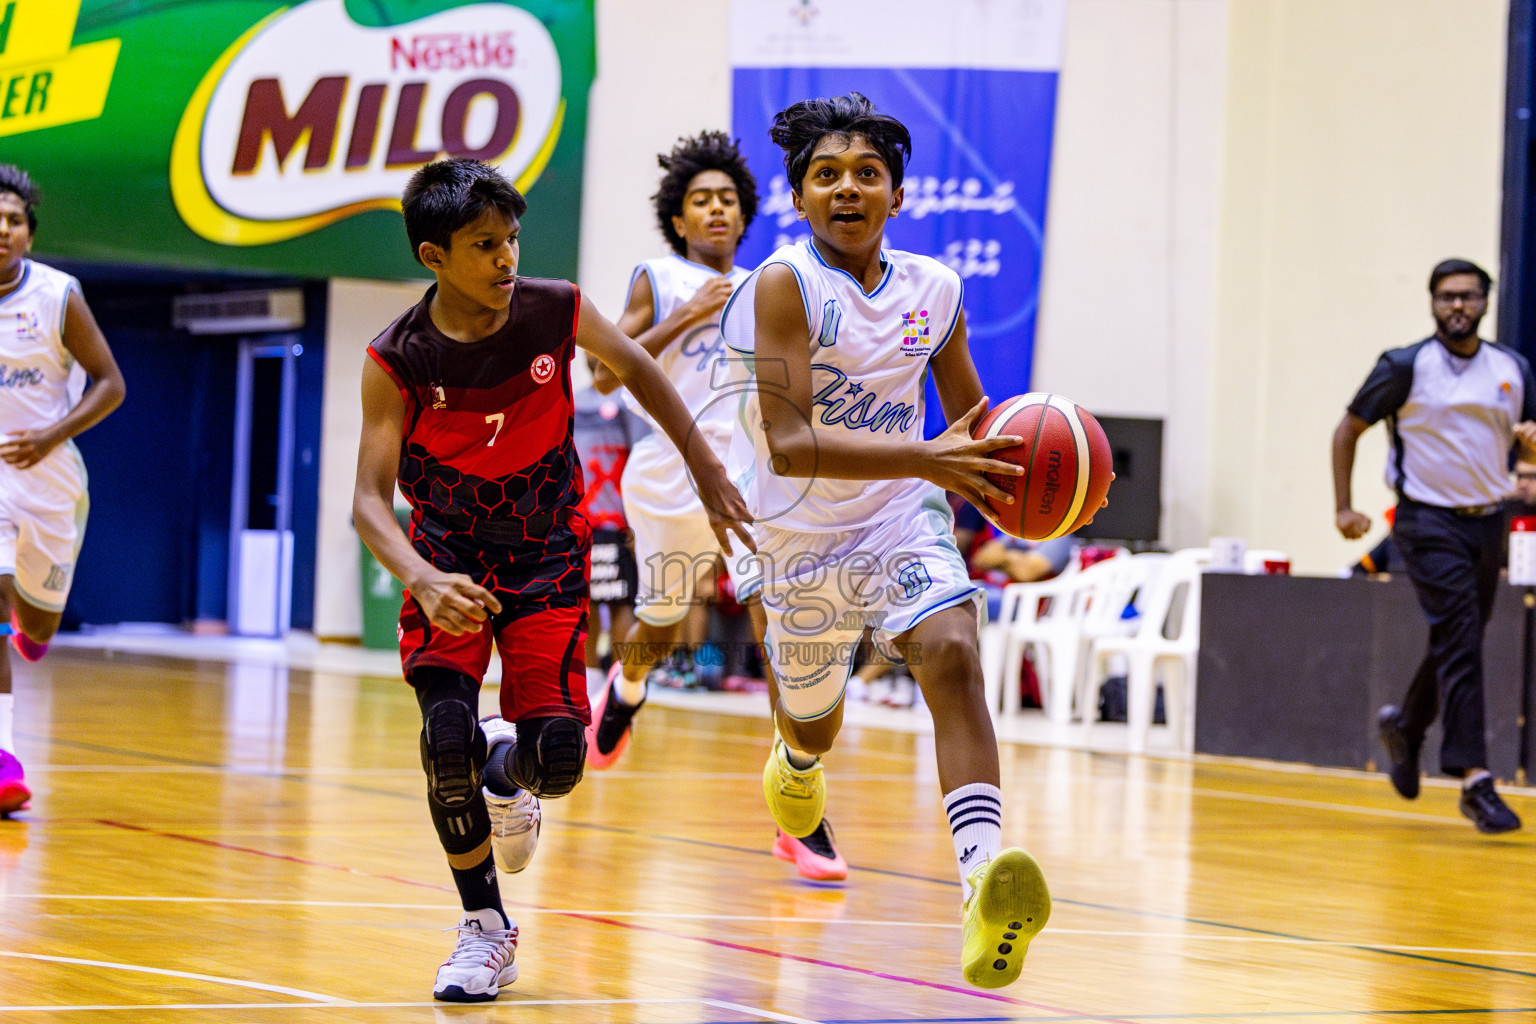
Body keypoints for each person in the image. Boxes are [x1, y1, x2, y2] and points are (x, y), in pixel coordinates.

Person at [352, 157, 752, 1001]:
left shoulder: (555, 307)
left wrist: (708, 467)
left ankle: (512, 775)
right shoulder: (396, 358)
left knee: (558, 758)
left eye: (512, 239)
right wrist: (422, 576)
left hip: (544, 556)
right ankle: (484, 931)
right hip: (450, 565)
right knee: (444, 746)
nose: (507, 258)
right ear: (434, 255)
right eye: (484, 244)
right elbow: (366, 505)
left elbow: (639, 371)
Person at [720, 94, 1085, 988]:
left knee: (954, 653)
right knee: (815, 721)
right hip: (793, 530)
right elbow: (791, 440)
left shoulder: (936, 290)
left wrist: (1047, 471)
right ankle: (797, 767)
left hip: (895, 516)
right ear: (799, 198)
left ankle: (981, 881)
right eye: (826, 175)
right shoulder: (783, 284)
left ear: (898, 195)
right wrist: (931, 452)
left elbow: (970, 418)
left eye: (867, 174)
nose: (847, 188)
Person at [589, 131, 846, 880]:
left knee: (781, 629)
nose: (715, 210)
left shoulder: (768, 284)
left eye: (727, 200)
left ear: (743, 214)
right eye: (700, 200)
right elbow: (604, 379)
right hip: (669, 477)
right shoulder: (659, 279)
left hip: (749, 481)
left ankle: (799, 812)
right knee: (660, 624)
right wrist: (690, 313)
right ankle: (628, 687)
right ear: (678, 217)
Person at [1332, 257, 1536, 834]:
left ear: (1485, 303)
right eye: (1447, 296)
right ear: (1432, 303)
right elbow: (1348, 428)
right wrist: (1344, 506)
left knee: (1457, 634)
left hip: (1487, 521)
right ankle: (1475, 779)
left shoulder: (1512, 369)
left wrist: (1532, 453)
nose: (1457, 306)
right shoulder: (1405, 366)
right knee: (1462, 635)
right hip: (1425, 521)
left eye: (1469, 296)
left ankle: (1407, 724)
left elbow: (1529, 450)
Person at [0, 166, 127, 817]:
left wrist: (51, 435)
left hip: (48, 480)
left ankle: (32, 621)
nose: (2, 228)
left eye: (13, 219)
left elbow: (110, 383)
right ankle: (3, 757)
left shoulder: (57, 295)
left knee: (36, 621)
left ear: (28, 233)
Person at [572, 357, 643, 692]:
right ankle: (596, 683)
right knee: (587, 601)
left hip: (617, 523)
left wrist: (637, 520)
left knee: (618, 602)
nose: (594, 356)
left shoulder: (629, 403)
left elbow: (643, 458)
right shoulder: (571, 399)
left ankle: (619, 682)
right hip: (579, 522)